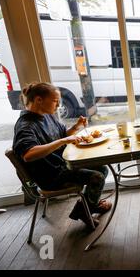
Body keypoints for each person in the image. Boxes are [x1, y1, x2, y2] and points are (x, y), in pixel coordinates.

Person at [12, 82, 111, 228]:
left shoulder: (46, 115)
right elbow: (28, 154)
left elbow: (62, 134)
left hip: (61, 166)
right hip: (50, 175)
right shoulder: (26, 125)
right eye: (55, 101)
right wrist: (62, 141)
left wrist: (76, 127)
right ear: (39, 100)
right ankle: (86, 210)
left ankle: (88, 206)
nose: (58, 105)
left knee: (102, 168)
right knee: (97, 177)